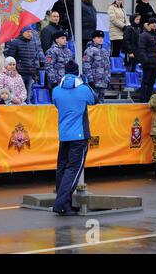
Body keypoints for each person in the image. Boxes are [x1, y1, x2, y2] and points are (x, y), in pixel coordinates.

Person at [52, 61, 98, 216]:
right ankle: (61, 203)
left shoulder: (56, 90)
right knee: (73, 170)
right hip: (79, 135)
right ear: (78, 72)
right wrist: (86, 83)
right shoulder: (84, 89)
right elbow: (95, 100)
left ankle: (63, 201)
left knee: (62, 168)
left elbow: (57, 105)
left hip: (64, 134)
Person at [4, 26, 40, 104]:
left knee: (28, 95)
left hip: (30, 73)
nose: (30, 34)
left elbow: (35, 58)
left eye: (31, 32)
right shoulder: (15, 42)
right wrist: (13, 70)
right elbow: (10, 57)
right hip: (18, 73)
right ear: (22, 33)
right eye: (27, 32)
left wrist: (35, 72)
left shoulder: (33, 43)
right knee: (17, 94)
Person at [137, 17, 156, 102]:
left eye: (155, 23)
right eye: (152, 23)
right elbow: (141, 49)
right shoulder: (144, 35)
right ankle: (142, 100)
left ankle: (149, 100)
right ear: (148, 24)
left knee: (151, 82)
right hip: (148, 63)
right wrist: (146, 60)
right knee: (145, 82)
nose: (154, 24)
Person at [83, 30, 110, 103]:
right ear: (93, 39)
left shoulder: (105, 51)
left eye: (102, 37)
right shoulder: (89, 50)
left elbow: (107, 67)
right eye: (98, 37)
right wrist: (90, 80)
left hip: (103, 82)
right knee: (93, 103)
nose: (101, 39)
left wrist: (108, 79)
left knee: (101, 103)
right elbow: (86, 66)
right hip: (94, 82)